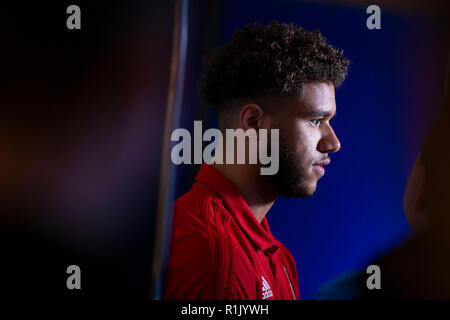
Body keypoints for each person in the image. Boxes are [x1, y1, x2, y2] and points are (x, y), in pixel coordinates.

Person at [164, 21, 350, 299]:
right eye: (314, 120)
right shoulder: (211, 257)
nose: (333, 143)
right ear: (253, 123)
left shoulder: (276, 258)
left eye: (328, 121)